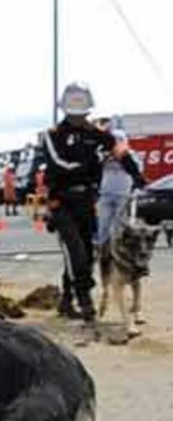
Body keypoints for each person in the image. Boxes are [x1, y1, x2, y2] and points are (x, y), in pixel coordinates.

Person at [41, 82, 144, 320]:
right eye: (74, 114)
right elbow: (59, 164)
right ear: (65, 111)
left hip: (86, 202)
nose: (79, 119)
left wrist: (137, 175)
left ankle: (66, 301)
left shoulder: (96, 134)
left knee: (86, 255)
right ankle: (85, 300)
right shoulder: (52, 135)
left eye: (83, 114)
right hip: (62, 201)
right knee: (74, 251)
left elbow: (120, 152)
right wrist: (93, 160)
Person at [96, 126, 146, 247]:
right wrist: (105, 157)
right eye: (115, 140)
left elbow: (138, 172)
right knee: (103, 224)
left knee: (120, 224)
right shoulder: (103, 155)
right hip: (105, 194)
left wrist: (122, 157)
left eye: (120, 140)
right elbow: (94, 169)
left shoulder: (132, 156)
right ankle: (103, 248)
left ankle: (118, 248)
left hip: (123, 194)